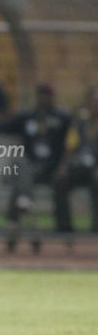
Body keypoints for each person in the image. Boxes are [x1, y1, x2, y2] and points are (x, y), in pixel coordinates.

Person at [0, 84, 70, 226]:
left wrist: (64, 165)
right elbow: (4, 127)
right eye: (41, 95)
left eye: (47, 95)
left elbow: (70, 143)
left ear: (52, 97)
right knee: (21, 166)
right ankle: (23, 211)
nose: (44, 98)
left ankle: (14, 221)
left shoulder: (62, 118)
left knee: (20, 178)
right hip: (31, 166)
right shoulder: (27, 117)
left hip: (52, 167)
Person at [53, 86, 98, 233]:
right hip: (80, 166)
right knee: (59, 181)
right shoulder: (80, 122)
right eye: (92, 102)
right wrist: (63, 166)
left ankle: (96, 227)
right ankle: (64, 227)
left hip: (96, 169)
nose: (95, 106)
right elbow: (70, 146)